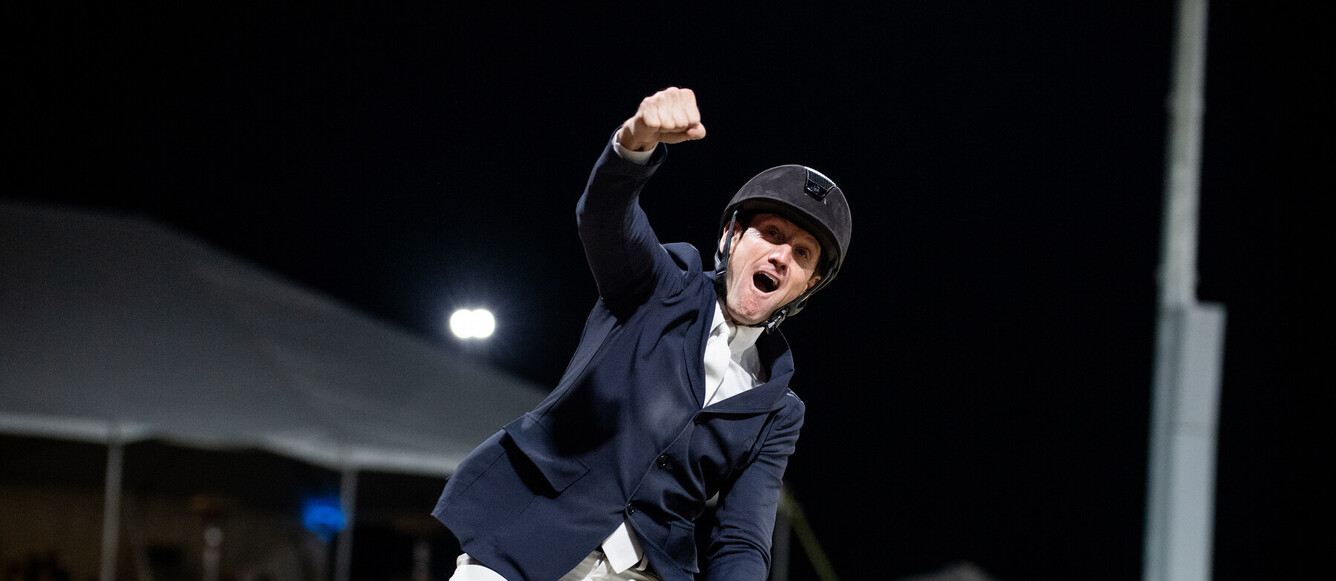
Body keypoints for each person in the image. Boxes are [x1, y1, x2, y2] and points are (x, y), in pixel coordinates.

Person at [432, 87, 852, 581]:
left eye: (802, 254)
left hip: (643, 572)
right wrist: (635, 143)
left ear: (809, 284)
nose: (782, 256)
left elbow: (741, 537)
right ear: (731, 237)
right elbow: (606, 219)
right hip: (530, 536)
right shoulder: (659, 283)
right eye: (772, 234)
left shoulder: (780, 409)